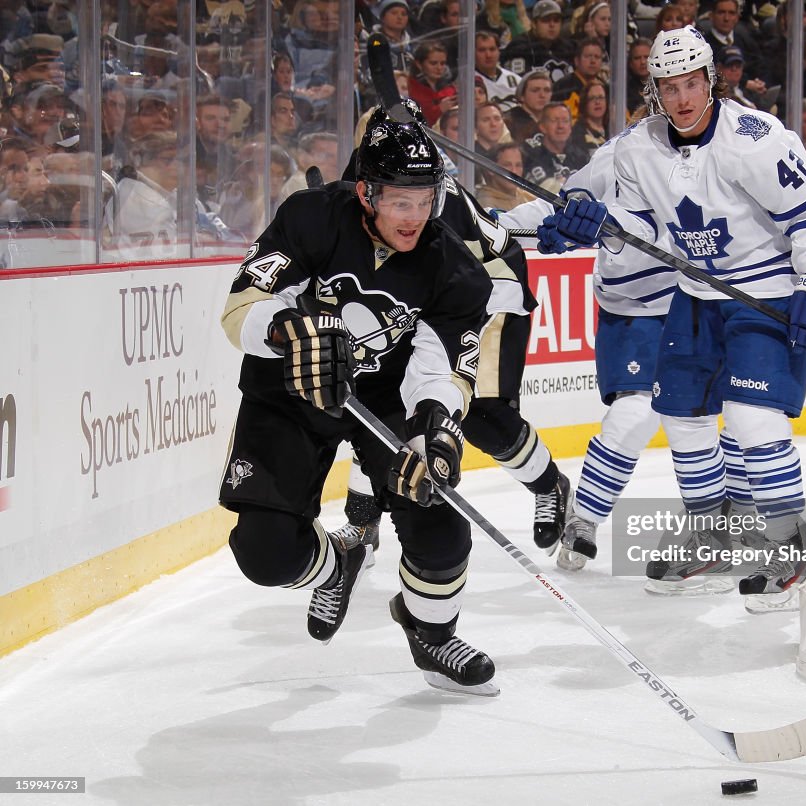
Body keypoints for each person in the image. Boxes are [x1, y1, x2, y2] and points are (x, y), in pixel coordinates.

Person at [538, 27, 806, 598]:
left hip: (765, 290)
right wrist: (598, 222)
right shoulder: (637, 148)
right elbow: (640, 226)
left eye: (690, 84)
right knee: (682, 417)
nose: (681, 98)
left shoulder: (754, 140)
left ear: (711, 80)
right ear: (655, 88)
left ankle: (787, 549)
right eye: (668, 86)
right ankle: (710, 533)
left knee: (753, 419)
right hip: (695, 293)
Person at [218, 111, 499, 695]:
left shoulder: (456, 270)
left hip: (384, 397)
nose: (415, 217)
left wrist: (435, 434)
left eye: (426, 200)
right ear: (367, 192)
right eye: (401, 201)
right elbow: (240, 308)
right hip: (289, 387)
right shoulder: (310, 217)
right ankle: (336, 564)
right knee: (265, 555)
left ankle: (432, 633)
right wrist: (286, 330)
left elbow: (443, 369)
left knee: (439, 518)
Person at [497, 132, 757, 581]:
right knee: (634, 414)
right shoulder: (618, 152)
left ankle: (732, 519)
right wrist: (499, 223)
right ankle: (584, 518)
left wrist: (604, 229)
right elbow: (564, 204)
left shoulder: (714, 160)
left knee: (736, 411)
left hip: (695, 300)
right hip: (632, 310)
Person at [335, 101, 574, 566]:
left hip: (491, 292)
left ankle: (550, 487)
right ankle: (362, 522)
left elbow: (472, 271)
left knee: (479, 413)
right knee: (382, 405)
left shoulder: (427, 191)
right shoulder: (366, 182)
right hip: (435, 298)